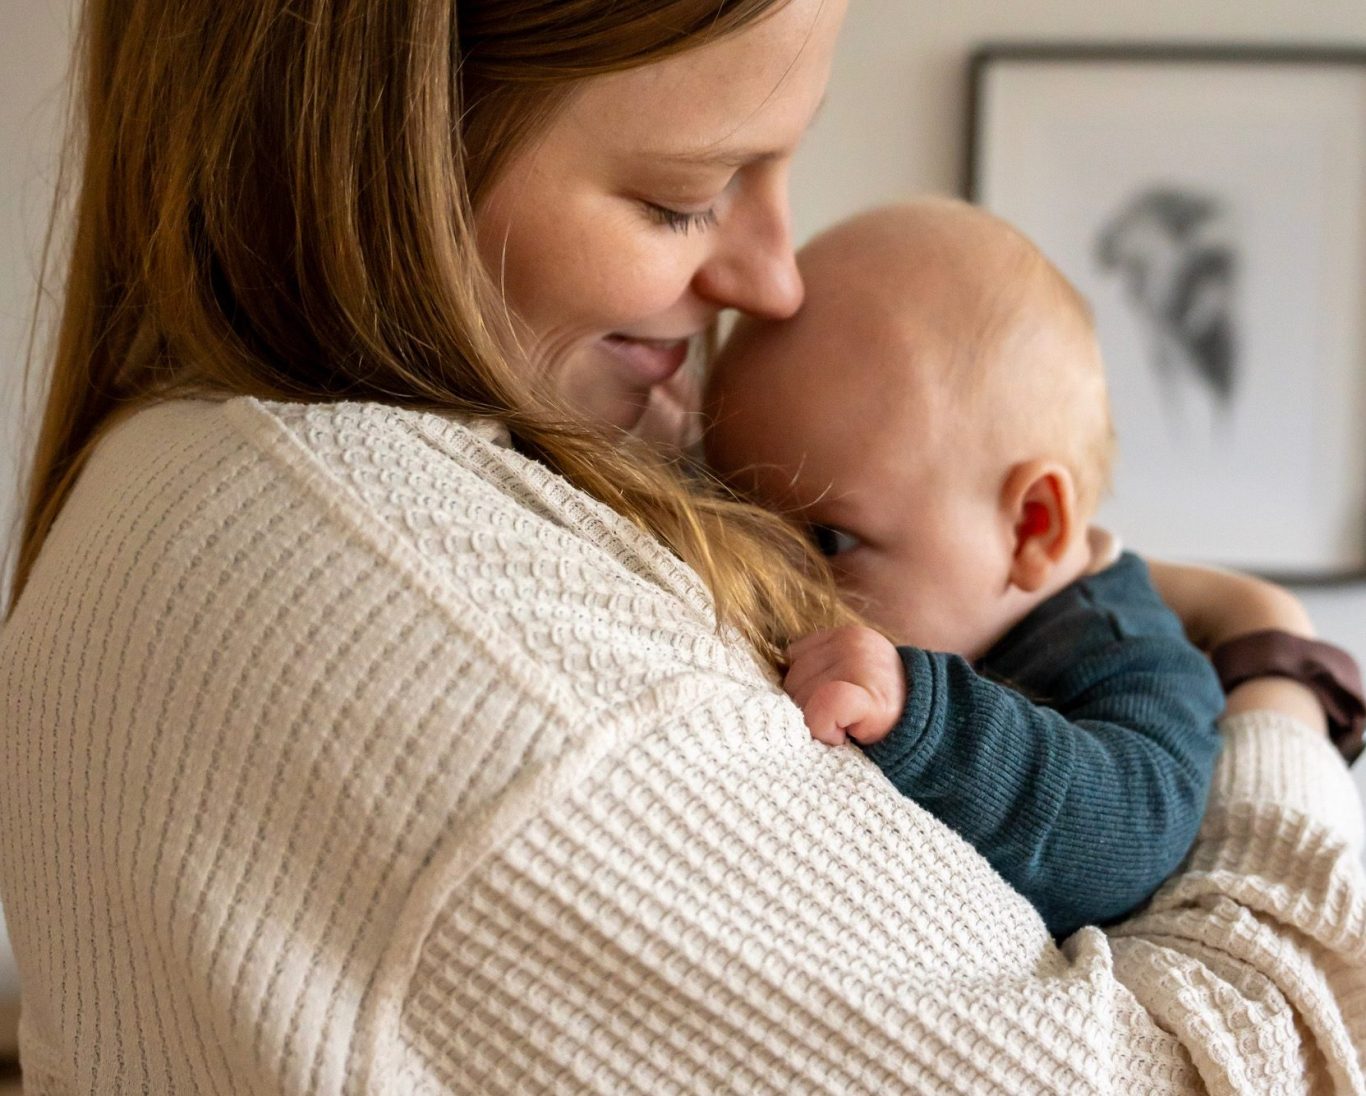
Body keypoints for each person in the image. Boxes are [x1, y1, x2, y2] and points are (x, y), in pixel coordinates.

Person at [1, 1, 1362, 1092]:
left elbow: (1119, 819)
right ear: (378, 149)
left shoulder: (166, 481)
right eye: (683, 195)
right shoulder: (496, 657)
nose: (774, 278)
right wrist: (1275, 673)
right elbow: (1261, 1059)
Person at [703, 199, 1226, 937]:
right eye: (738, 513)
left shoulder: (1129, 655)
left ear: (1031, 527)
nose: (771, 581)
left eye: (827, 539)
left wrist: (927, 716)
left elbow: (1131, 834)